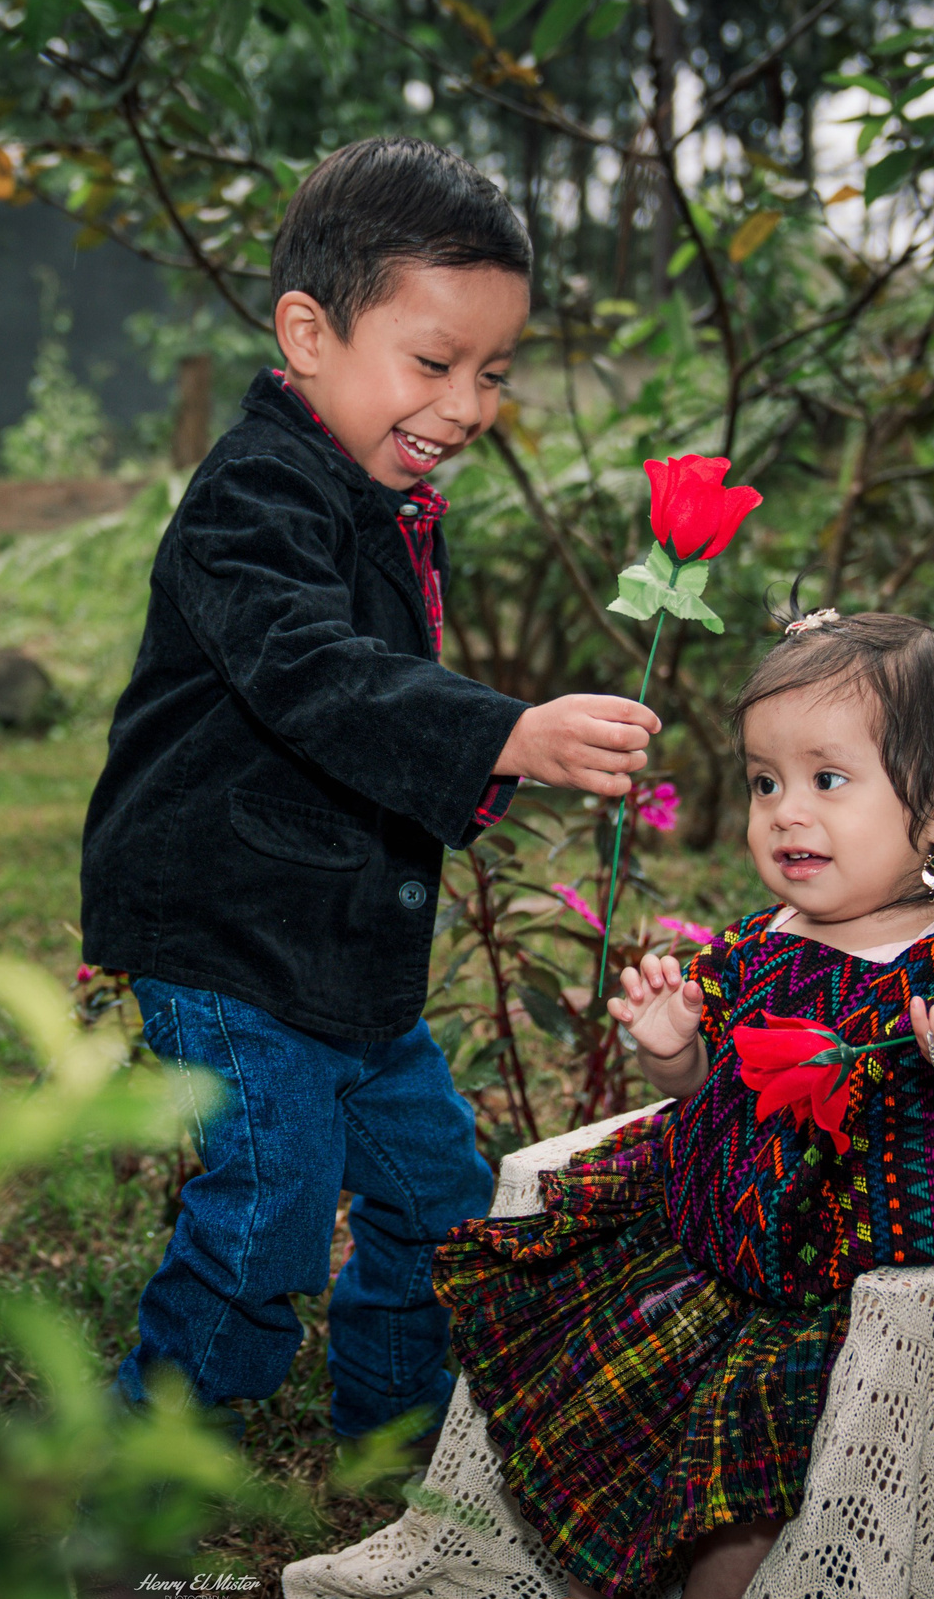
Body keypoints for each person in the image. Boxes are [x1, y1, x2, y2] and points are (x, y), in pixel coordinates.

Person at [79, 137, 662, 1449]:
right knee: (269, 1201)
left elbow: (377, 711)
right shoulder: (255, 496)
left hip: (344, 947)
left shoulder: (380, 495)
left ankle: (397, 1439)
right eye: (435, 361)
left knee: (438, 1199)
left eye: (496, 371)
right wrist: (506, 731)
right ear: (308, 331)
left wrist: (481, 748)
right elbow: (314, 674)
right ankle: (146, 1494)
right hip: (227, 930)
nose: (467, 403)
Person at [432, 610, 934, 1599]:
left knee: (735, 1467)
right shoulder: (758, 943)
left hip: (835, 1267)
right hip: (710, 1227)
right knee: (616, 1422)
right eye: (764, 782)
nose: (786, 813)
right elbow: (711, 1091)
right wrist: (673, 1052)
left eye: (827, 781)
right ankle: (597, 1576)